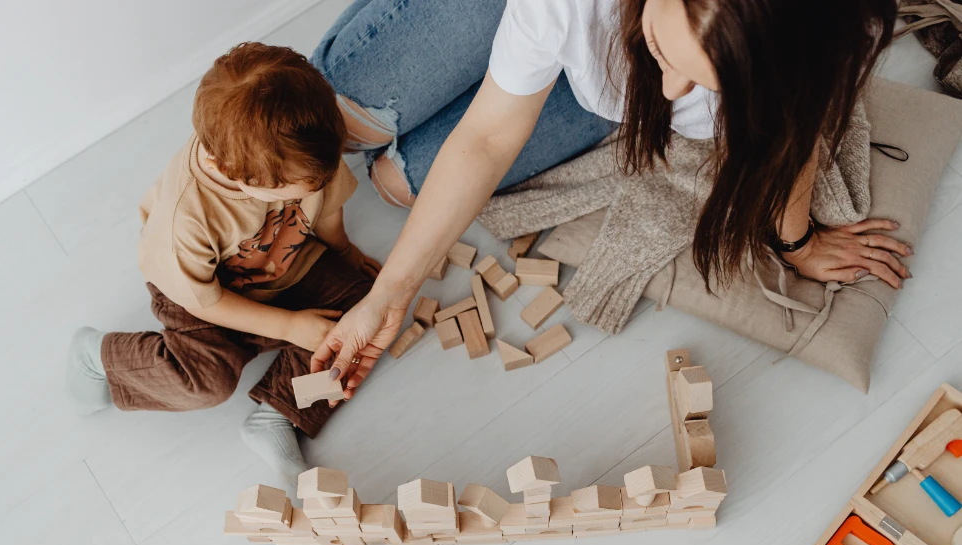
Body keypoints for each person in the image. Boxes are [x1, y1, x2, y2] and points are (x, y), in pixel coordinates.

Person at [310, 0, 911, 395]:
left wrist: (798, 240)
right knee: (337, 122)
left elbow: (793, 135)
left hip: (598, 42)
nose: (672, 93)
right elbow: (486, 136)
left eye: (703, 82)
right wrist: (391, 291)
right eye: (663, 53)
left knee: (398, 183)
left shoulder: (820, 38)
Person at [64, 43, 381, 488]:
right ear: (236, 174)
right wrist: (290, 327)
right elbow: (206, 299)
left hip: (283, 264)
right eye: (295, 190)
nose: (315, 188)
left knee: (366, 310)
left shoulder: (305, 153)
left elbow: (327, 211)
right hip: (199, 296)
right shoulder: (187, 215)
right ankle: (98, 357)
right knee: (205, 382)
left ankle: (277, 416)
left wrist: (345, 252)